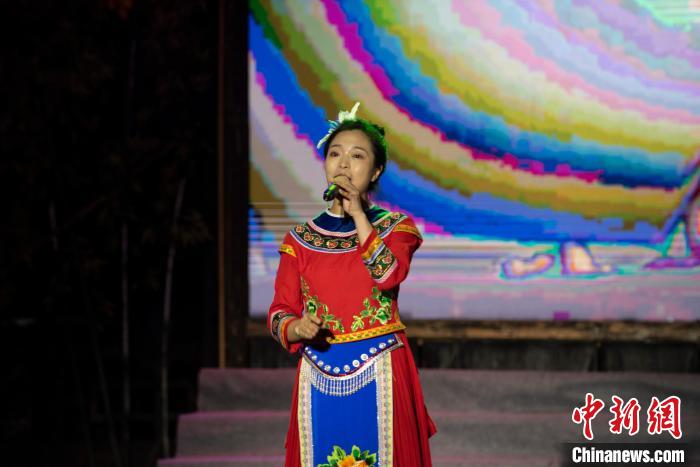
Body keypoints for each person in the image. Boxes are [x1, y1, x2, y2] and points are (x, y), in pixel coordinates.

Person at [267, 102, 436, 466]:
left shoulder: (396, 228)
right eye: (335, 154)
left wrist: (359, 214)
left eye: (357, 156)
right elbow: (279, 312)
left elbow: (387, 275)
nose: (343, 164)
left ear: (375, 171)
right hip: (318, 375)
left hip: (382, 372)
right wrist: (297, 327)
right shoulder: (300, 240)